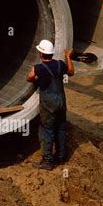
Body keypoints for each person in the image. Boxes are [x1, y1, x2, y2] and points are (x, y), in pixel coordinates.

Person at [27, 39, 75, 170]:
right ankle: (60, 157)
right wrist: (68, 57)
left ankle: (47, 162)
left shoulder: (38, 68)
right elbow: (71, 72)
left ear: (41, 54)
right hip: (61, 101)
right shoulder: (60, 64)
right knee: (60, 128)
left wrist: (37, 78)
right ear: (51, 53)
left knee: (46, 130)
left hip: (49, 103)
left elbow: (29, 77)